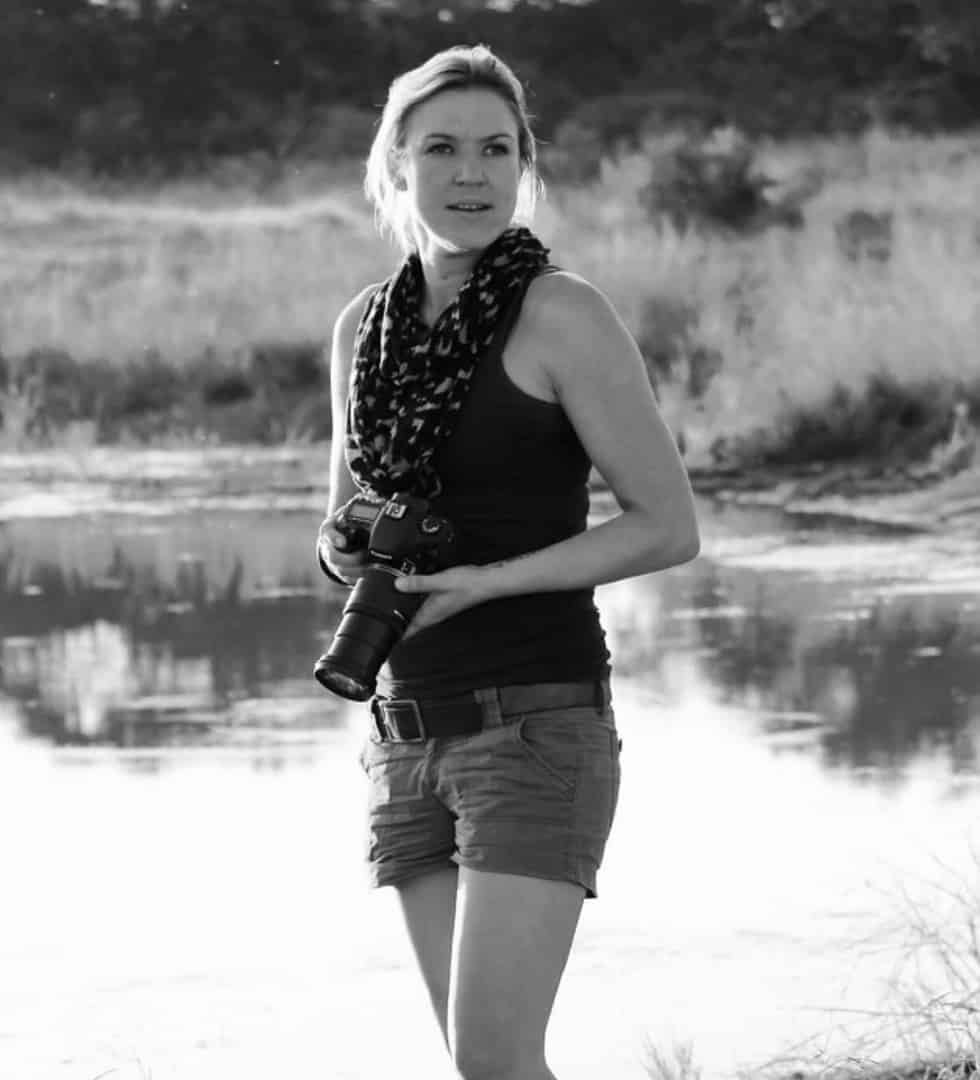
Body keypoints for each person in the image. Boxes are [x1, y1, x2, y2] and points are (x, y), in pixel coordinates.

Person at [316, 44, 700, 1080]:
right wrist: (348, 549)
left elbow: (667, 526)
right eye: (441, 149)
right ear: (395, 166)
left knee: (494, 1055)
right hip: (402, 734)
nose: (471, 173)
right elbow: (340, 528)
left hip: (534, 723)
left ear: (525, 164)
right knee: (480, 1066)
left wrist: (485, 580)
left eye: (496, 148)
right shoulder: (365, 328)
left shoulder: (560, 312)